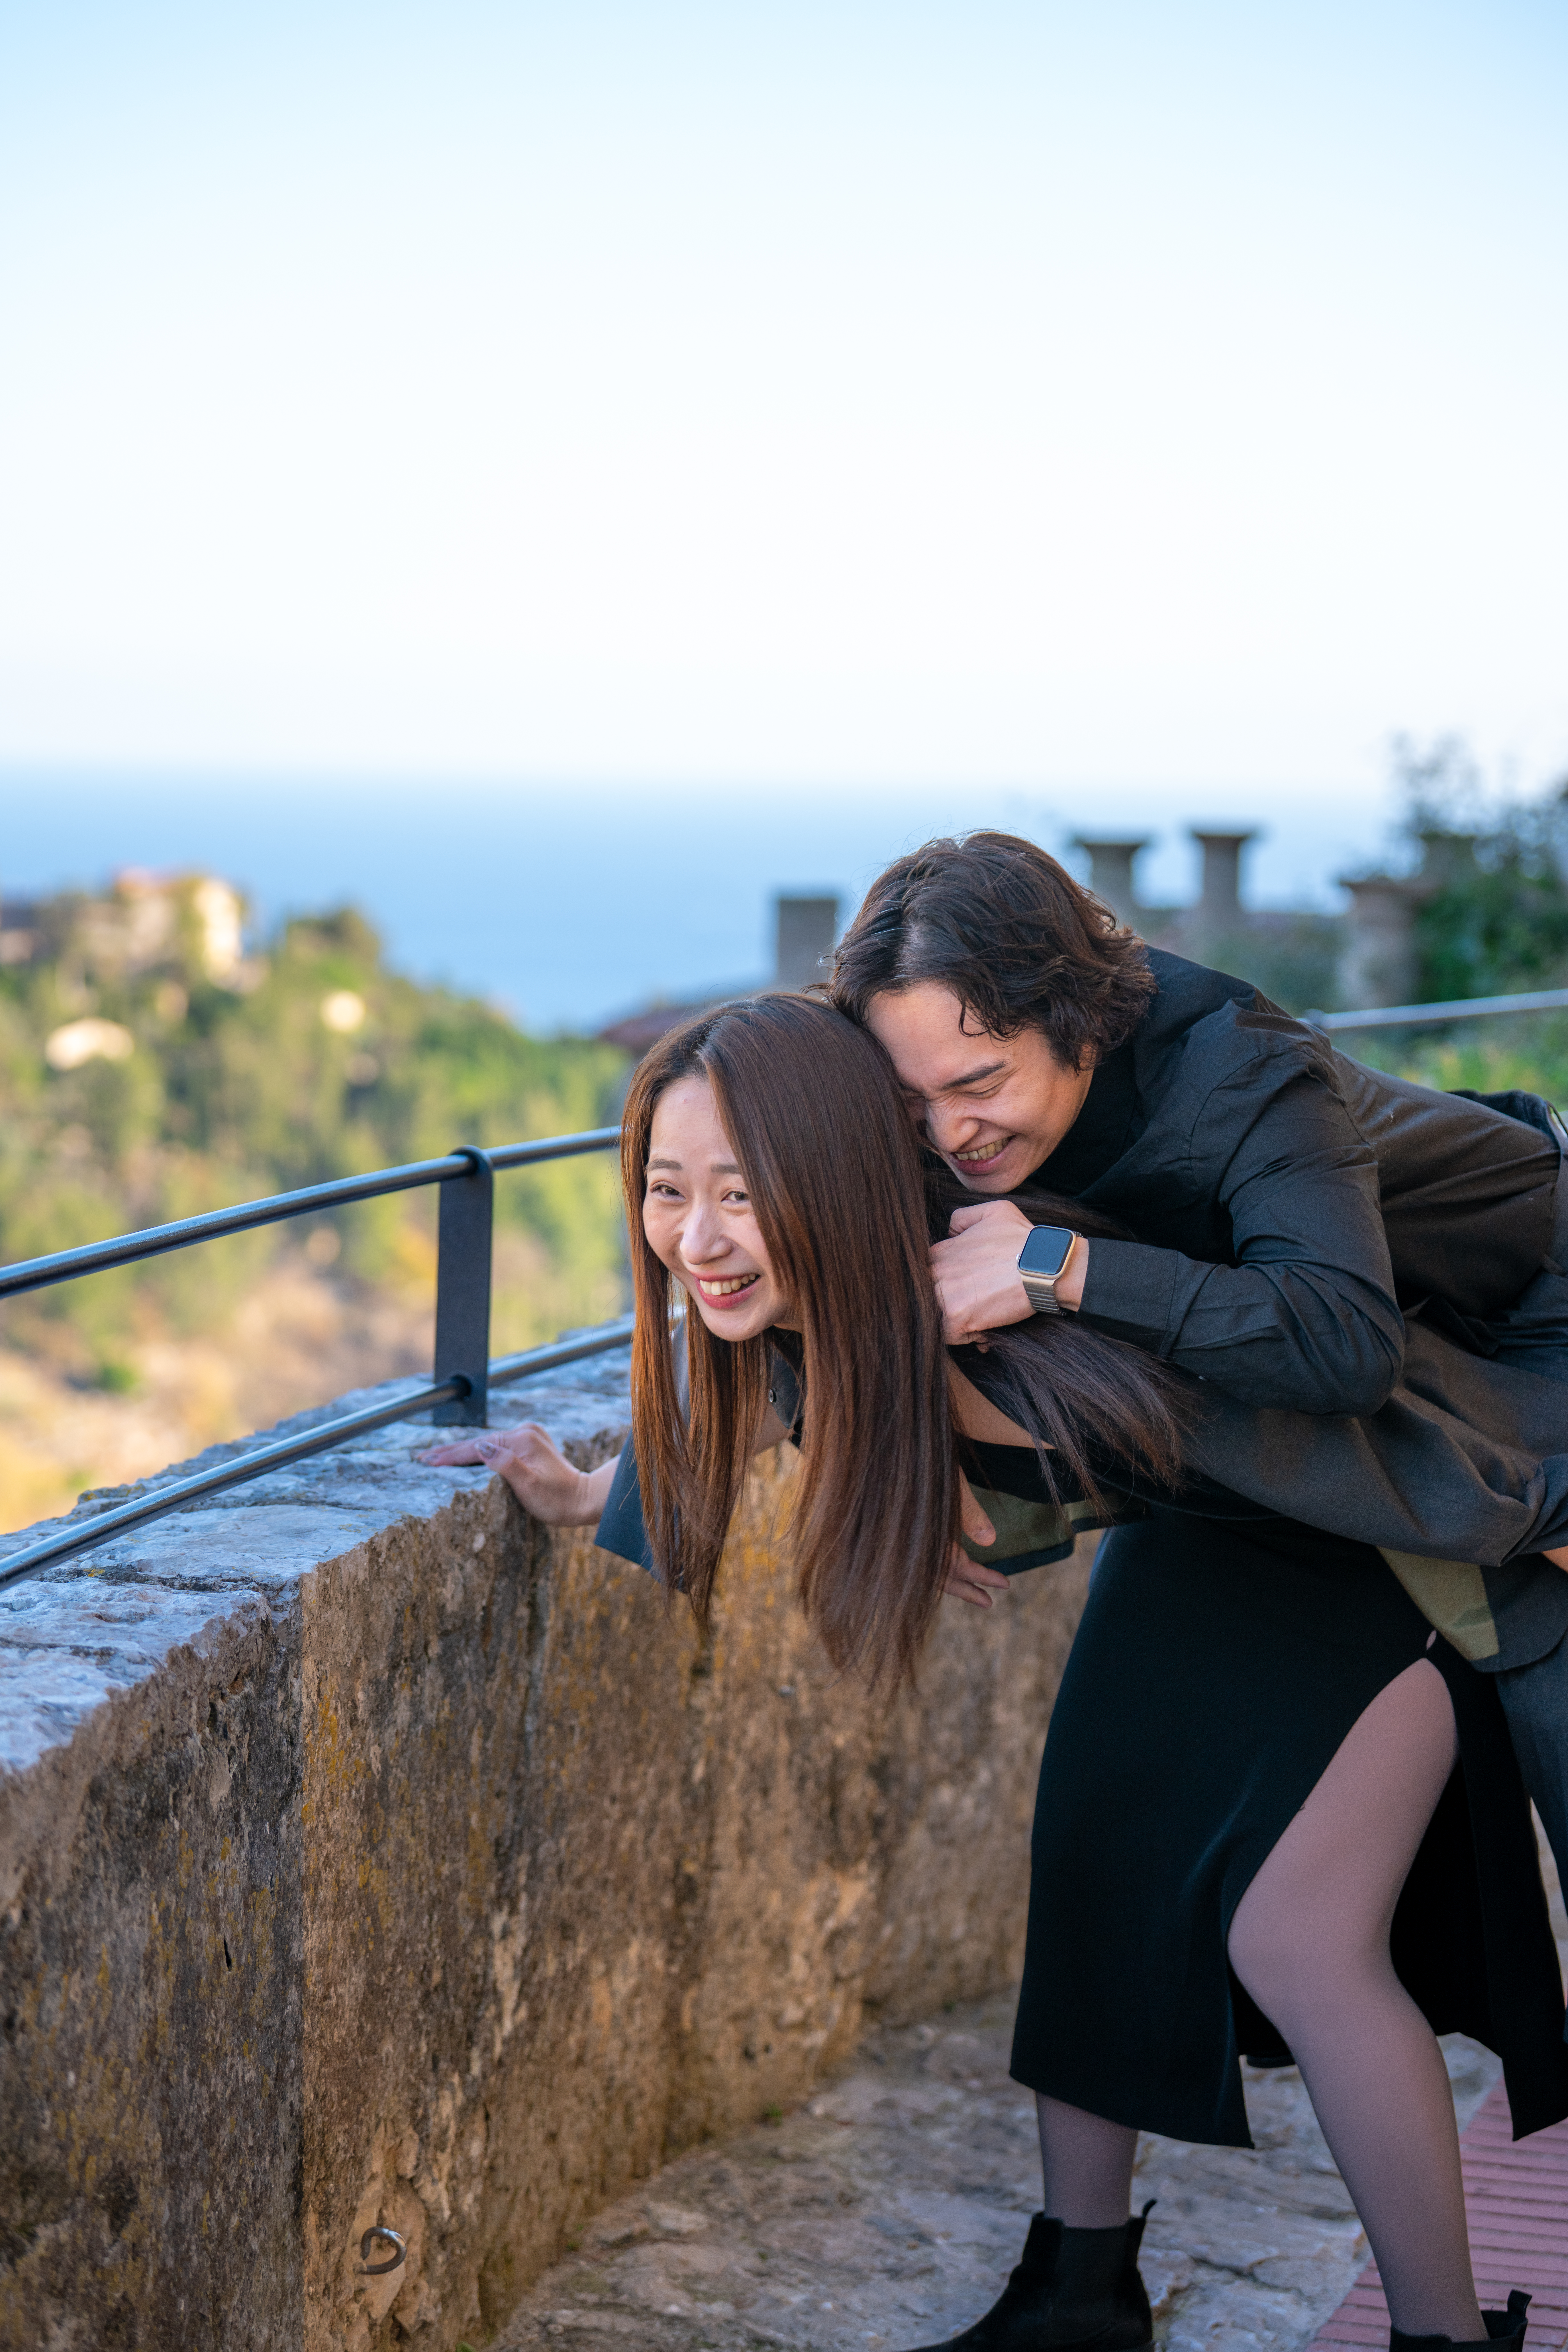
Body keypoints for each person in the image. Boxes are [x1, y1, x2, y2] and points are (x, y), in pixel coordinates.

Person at [424, 992, 1565, 2352]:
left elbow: (1373, 1421)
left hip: (1381, 1537)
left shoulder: (1015, 1289)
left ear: (835, 1182)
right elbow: (768, 1408)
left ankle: (1439, 2340)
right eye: (668, 1192)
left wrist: (1538, 1520)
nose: (699, 1238)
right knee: (1089, 1859)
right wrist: (577, 1494)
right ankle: (1076, 2290)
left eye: (742, 1193)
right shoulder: (817, 1309)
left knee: (1298, 1938)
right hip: (1210, 1530)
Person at [829, 830, 1568, 1927]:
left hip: (1531, 1309)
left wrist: (1058, 1265)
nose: (949, 1136)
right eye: (913, 1104)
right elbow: (762, 1260)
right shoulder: (961, 1113)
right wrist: (896, 1469)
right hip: (1419, 1357)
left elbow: (1339, 1345)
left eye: (978, 1083)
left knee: (1550, 1692)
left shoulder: (1244, 1066)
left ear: (1078, 1022)